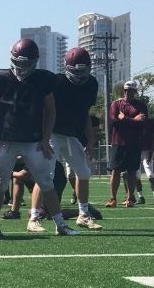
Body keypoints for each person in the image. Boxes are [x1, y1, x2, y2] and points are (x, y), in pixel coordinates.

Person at [0, 38, 79, 236]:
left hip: (33, 141)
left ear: (35, 62)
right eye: (19, 63)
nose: (22, 67)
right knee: (0, 184)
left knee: (46, 182)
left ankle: (60, 225)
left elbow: (50, 111)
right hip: (6, 140)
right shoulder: (0, 78)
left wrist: (46, 138)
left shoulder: (44, 79)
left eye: (26, 63)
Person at [49, 47, 102, 230]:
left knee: (84, 172)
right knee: (45, 174)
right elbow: (46, 110)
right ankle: (34, 217)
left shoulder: (91, 84)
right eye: (75, 71)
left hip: (72, 134)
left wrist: (90, 138)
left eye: (82, 71)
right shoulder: (56, 82)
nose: (79, 75)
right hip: (52, 133)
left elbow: (86, 113)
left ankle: (83, 214)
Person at [106, 80, 149, 207]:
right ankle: (113, 198)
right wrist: (133, 120)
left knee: (131, 171)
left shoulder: (141, 105)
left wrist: (124, 119)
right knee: (116, 171)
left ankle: (130, 198)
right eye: (126, 90)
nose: (128, 92)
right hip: (118, 142)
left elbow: (142, 122)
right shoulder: (116, 104)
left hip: (134, 143)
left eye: (131, 90)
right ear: (123, 91)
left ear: (135, 92)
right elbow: (114, 121)